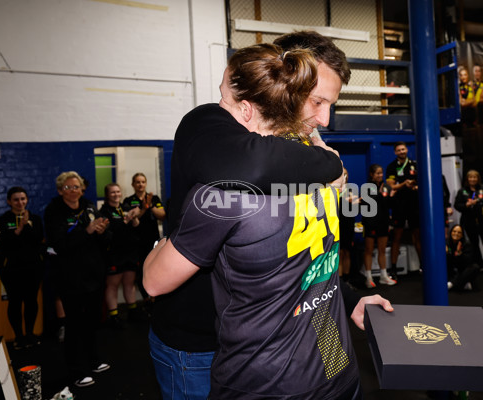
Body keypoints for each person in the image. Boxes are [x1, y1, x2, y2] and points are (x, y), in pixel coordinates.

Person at [149, 36, 349, 400]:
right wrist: (331, 163)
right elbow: (251, 164)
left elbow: (313, 256)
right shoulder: (214, 127)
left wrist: (349, 299)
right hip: (203, 344)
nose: (324, 119)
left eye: (331, 105)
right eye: (317, 101)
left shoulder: (301, 157)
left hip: (306, 342)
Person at [44, 171, 111, 388]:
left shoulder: (89, 205)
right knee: (74, 324)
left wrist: (101, 231)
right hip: (70, 277)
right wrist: (87, 231)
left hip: (93, 275)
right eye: (68, 188)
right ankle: (76, 371)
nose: (73, 191)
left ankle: (93, 360)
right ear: (60, 190)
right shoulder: (54, 211)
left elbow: (103, 238)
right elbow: (59, 244)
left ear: (82, 188)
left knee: (92, 321)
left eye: (76, 187)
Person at [0, 186, 45, 349]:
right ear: (9, 201)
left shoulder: (35, 219)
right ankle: (18, 336)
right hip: (12, 270)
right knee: (15, 302)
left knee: (31, 302)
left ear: (27, 200)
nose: (20, 202)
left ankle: (30, 333)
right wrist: (20, 228)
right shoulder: (2, 221)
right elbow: (2, 243)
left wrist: (27, 225)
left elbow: (38, 240)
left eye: (23, 199)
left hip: (33, 268)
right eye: (16, 199)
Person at [99, 183, 141, 327]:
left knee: (129, 282)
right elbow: (111, 230)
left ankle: (133, 310)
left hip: (130, 251)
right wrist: (126, 220)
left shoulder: (126, 207)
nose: (116, 194)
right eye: (112, 192)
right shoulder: (104, 211)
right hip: (114, 253)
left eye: (118, 191)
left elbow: (136, 226)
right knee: (113, 285)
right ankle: (114, 315)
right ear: (107, 195)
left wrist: (134, 218)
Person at [122, 172, 165, 302]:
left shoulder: (154, 198)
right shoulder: (128, 201)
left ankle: (155, 297)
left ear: (146, 183)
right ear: (133, 184)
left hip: (153, 240)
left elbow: (162, 215)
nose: (141, 184)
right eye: (138, 182)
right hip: (136, 241)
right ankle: (146, 298)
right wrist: (144, 209)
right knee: (140, 271)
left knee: (155, 268)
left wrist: (150, 206)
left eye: (143, 182)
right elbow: (132, 218)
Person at [385, 141, 421, 280]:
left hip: (414, 205)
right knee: (396, 237)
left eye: (403, 149)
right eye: (399, 150)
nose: (402, 151)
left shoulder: (414, 165)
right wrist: (405, 184)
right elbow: (392, 186)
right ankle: (393, 269)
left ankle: (422, 266)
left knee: (417, 237)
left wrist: (414, 186)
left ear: (407, 150)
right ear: (395, 152)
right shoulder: (391, 167)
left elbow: (420, 182)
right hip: (398, 206)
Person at [454, 169, 483, 273]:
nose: (472, 179)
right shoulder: (462, 191)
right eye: (470, 177)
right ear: (467, 179)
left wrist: (479, 201)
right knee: (473, 244)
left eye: (474, 177)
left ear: (478, 178)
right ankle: (478, 264)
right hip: (469, 220)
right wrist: (466, 205)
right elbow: (457, 205)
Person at [361, 164, 395, 288]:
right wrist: (380, 195)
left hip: (383, 223)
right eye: (377, 173)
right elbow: (366, 205)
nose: (380, 175)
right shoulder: (366, 187)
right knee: (369, 250)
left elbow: (389, 205)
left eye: (381, 173)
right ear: (371, 174)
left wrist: (391, 197)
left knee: (382, 250)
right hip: (370, 223)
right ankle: (369, 278)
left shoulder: (386, 187)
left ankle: (383, 276)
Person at [446, 224, 480, 291]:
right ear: (451, 232)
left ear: (462, 235)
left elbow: (467, 262)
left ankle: (452, 284)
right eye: (454, 231)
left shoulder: (467, 244)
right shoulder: (446, 243)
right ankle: (462, 285)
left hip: (462, 270)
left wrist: (459, 254)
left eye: (459, 232)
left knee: (475, 267)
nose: (456, 234)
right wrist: (446, 253)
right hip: (451, 271)